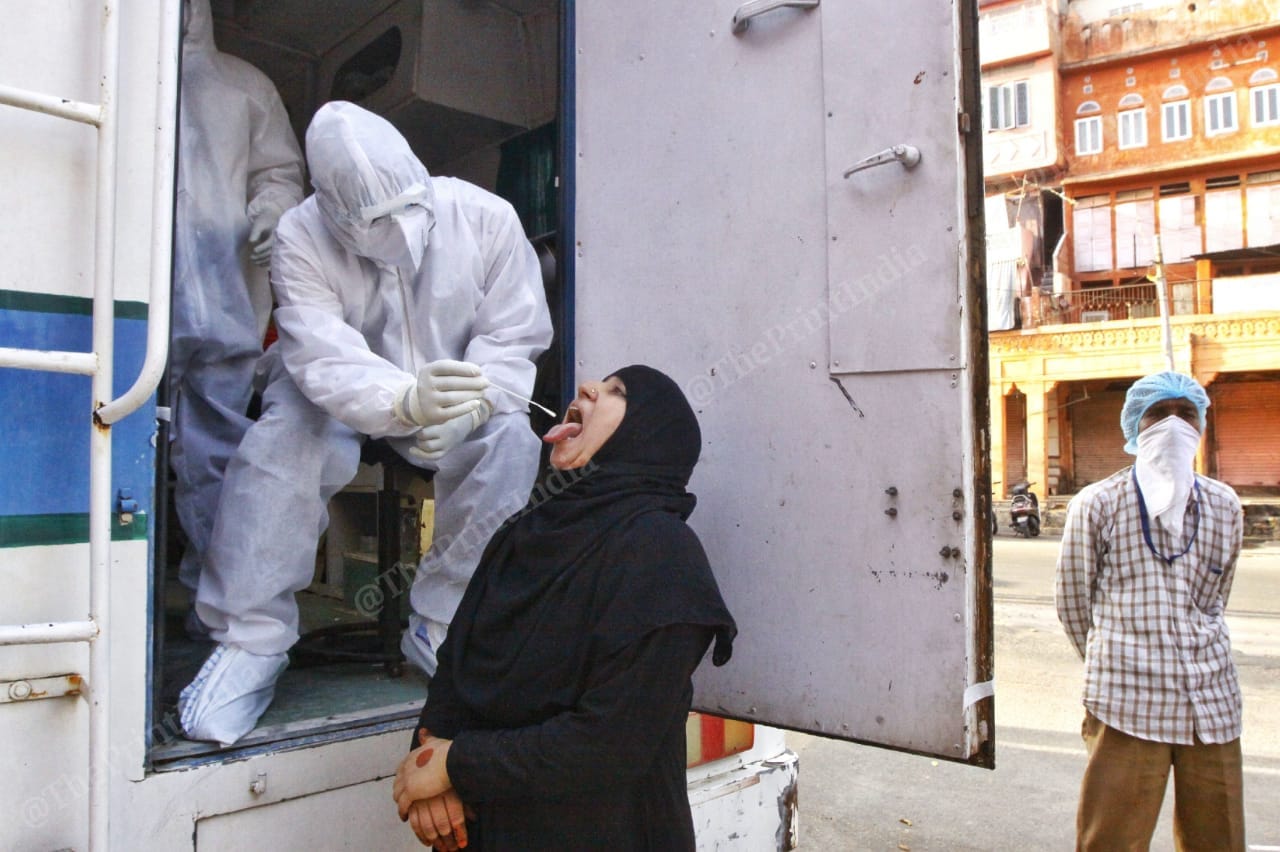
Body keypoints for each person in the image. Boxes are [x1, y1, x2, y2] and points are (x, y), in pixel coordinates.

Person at [178, 101, 553, 746]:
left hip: (455, 393)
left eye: (410, 207)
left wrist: (473, 406)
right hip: (343, 397)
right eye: (375, 220)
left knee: (510, 444)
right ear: (332, 211)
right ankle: (252, 639)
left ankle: (442, 621)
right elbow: (321, 351)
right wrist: (405, 401)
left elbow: (513, 335)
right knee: (285, 436)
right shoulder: (302, 235)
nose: (400, 232)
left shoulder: (486, 219)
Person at [392, 365, 736, 851]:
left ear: (647, 437)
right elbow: (456, 666)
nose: (587, 388)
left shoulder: (664, 558)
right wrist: (429, 759)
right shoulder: (521, 534)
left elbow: (609, 744)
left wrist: (454, 765)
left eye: (617, 391)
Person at [1055, 371, 1245, 851]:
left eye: (1187, 414)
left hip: (1213, 702)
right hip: (1126, 702)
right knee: (1112, 840)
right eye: (1159, 414)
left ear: (1201, 425)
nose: (1174, 425)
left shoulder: (1225, 504)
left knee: (1218, 838)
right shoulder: (1097, 503)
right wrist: (1113, 660)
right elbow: (1073, 604)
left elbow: (1216, 598)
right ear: (1135, 427)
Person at [170, 0, 305, 620]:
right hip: (131, 306)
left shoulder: (244, 85)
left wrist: (271, 214)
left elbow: (281, 171)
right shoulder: (114, 72)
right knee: (114, 450)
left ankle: (215, 605)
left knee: (216, 459)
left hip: (223, 302)